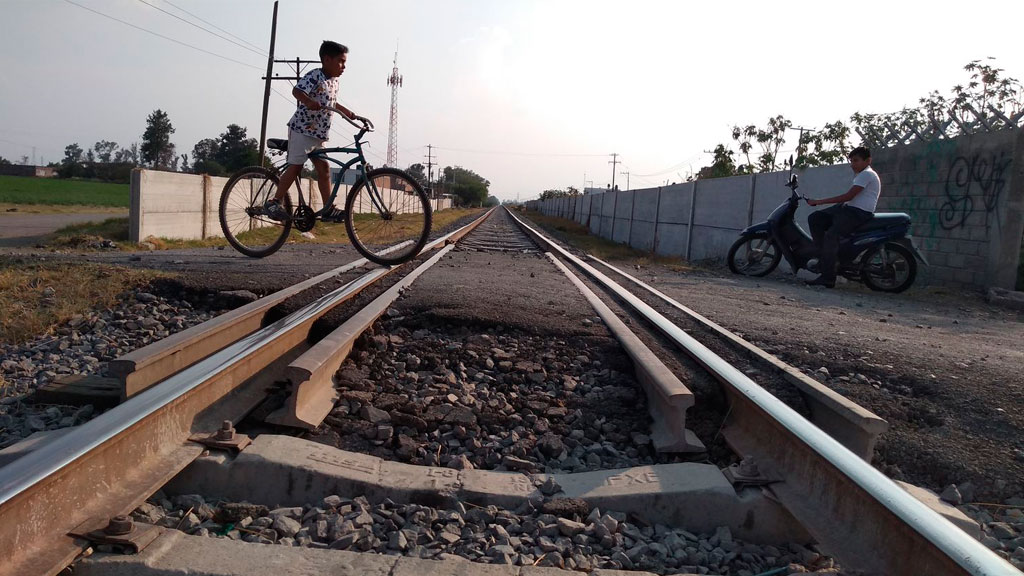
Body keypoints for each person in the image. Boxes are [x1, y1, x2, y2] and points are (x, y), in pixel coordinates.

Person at [264, 40, 367, 222]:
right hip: (302, 130)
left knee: (324, 169)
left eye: (345, 62)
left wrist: (351, 114)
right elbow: (297, 91)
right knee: (296, 166)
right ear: (327, 60)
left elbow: (332, 104)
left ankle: (327, 209)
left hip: (319, 135)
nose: (344, 67)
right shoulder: (315, 76)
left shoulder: (333, 82)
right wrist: (308, 101)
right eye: (341, 61)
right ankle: (274, 201)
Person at [804, 146, 880, 288]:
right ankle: (825, 258)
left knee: (831, 236)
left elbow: (848, 196)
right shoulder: (862, 174)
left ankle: (828, 276)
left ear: (868, 160)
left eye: (856, 160)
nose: (852, 164)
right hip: (848, 208)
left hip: (858, 213)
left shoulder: (867, 174)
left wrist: (819, 201)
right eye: (851, 161)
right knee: (815, 218)